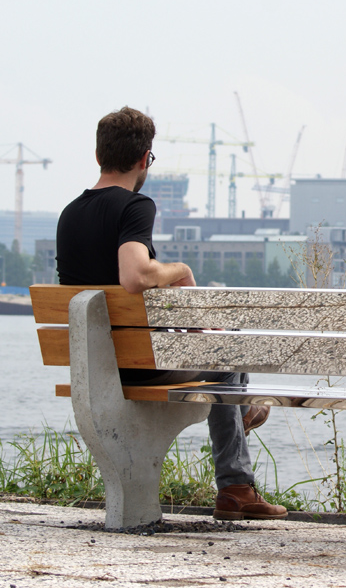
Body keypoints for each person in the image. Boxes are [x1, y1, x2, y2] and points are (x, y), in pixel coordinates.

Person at [56, 106, 285, 521]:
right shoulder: (135, 206)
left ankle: (241, 413)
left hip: (93, 367)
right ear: (145, 159)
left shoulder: (69, 214)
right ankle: (236, 482)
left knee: (221, 353)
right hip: (139, 367)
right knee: (226, 356)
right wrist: (180, 270)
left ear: (97, 155)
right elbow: (134, 274)